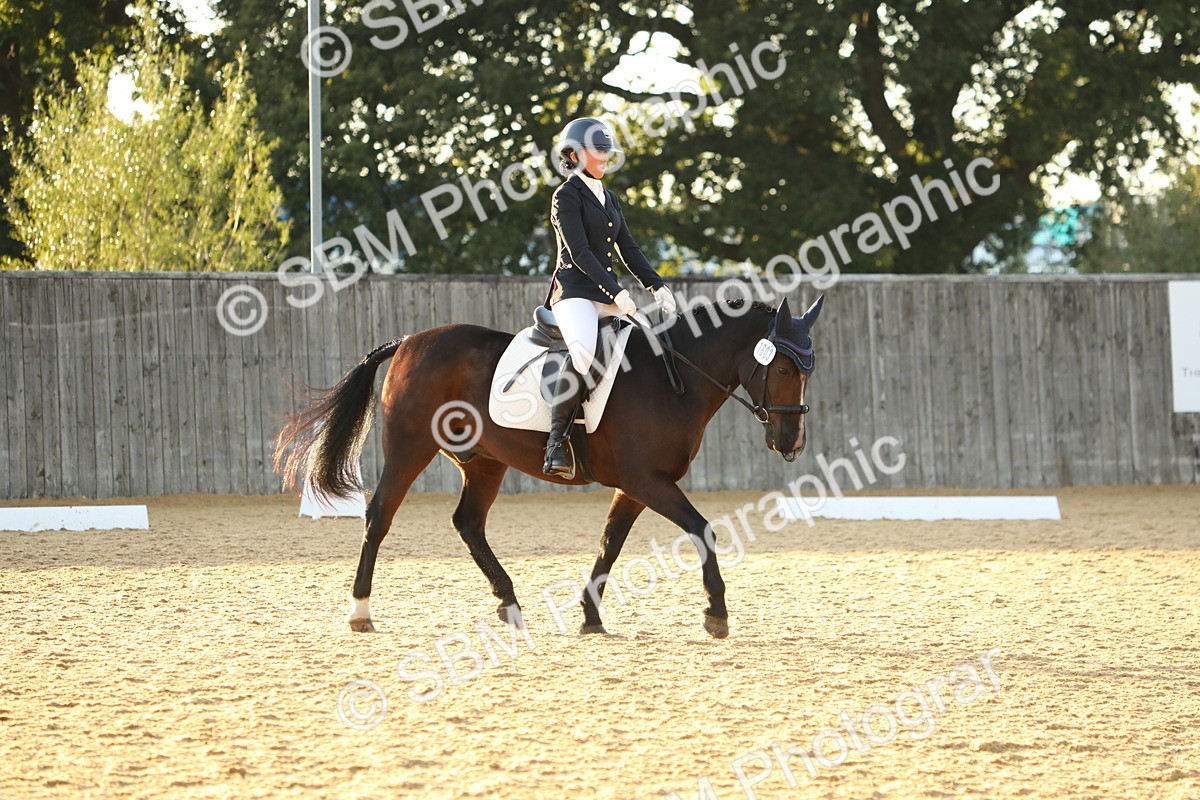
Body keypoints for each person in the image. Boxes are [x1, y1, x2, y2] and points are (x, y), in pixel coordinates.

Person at [542, 116, 676, 479]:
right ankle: (557, 441)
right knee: (585, 352)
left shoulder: (610, 197)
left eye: (606, 150)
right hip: (574, 293)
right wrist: (616, 291)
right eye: (596, 150)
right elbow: (581, 252)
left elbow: (628, 248)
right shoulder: (565, 196)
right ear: (573, 154)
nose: (604, 156)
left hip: (608, 294)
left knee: (650, 345)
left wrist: (657, 286)